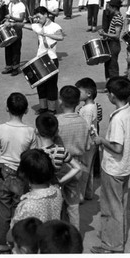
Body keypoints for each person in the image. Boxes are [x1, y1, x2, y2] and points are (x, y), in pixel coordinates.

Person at [90, 76, 130, 254]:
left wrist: (101, 140)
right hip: (126, 166)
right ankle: (118, 236)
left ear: (112, 95)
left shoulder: (118, 119)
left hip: (114, 167)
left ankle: (111, 244)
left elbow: (117, 147)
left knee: (111, 206)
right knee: (120, 203)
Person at [0, 93, 37, 254]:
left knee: (2, 212)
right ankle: (19, 242)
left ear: (6, 108)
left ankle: (2, 245)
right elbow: (31, 157)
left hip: (3, 174)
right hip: (21, 176)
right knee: (20, 210)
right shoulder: (31, 132)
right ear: (25, 111)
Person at [55, 85, 88, 229]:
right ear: (78, 102)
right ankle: (74, 234)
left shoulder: (56, 122)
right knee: (73, 205)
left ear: (60, 100)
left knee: (56, 202)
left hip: (59, 167)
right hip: (77, 166)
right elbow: (87, 146)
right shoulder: (83, 122)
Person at [10, 149, 63, 229]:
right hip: (52, 238)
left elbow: (14, 233)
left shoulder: (27, 206)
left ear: (25, 174)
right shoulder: (57, 192)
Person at [26, 6, 64, 114]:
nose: (37, 19)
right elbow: (25, 26)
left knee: (51, 86)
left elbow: (61, 37)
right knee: (41, 85)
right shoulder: (37, 26)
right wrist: (13, 24)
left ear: (46, 15)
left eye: (39, 16)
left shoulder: (55, 26)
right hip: (39, 58)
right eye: (36, 17)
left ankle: (52, 109)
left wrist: (46, 34)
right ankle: (43, 108)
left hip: (51, 59)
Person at [35, 112, 82, 185]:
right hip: (54, 188)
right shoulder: (61, 151)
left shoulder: (35, 153)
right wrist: (60, 181)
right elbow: (77, 167)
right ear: (57, 132)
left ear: (37, 131)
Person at [75, 78, 99, 203]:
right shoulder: (92, 106)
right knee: (88, 170)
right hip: (93, 142)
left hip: (87, 143)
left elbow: (86, 127)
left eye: (79, 92)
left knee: (83, 170)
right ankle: (88, 193)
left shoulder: (87, 110)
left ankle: (80, 196)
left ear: (88, 93)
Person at [1, 0, 25, 76]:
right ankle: (9, 66)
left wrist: (12, 17)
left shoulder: (21, 5)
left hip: (17, 27)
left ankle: (15, 67)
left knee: (16, 48)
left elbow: (21, 19)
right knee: (8, 46)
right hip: (9, 27)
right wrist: (7, 19)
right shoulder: (10, 4)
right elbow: (9, 16)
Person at [98, 0, 123, 81]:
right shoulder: (115, 17)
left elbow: (117, 35)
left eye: (109, 6)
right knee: (108, 65)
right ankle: (108, 86)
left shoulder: (118, 18)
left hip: (114, 44)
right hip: (110, 43)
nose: (108, 8)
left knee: (112, 67)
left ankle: (115, 87)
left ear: (114, 7)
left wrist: (104, 34)